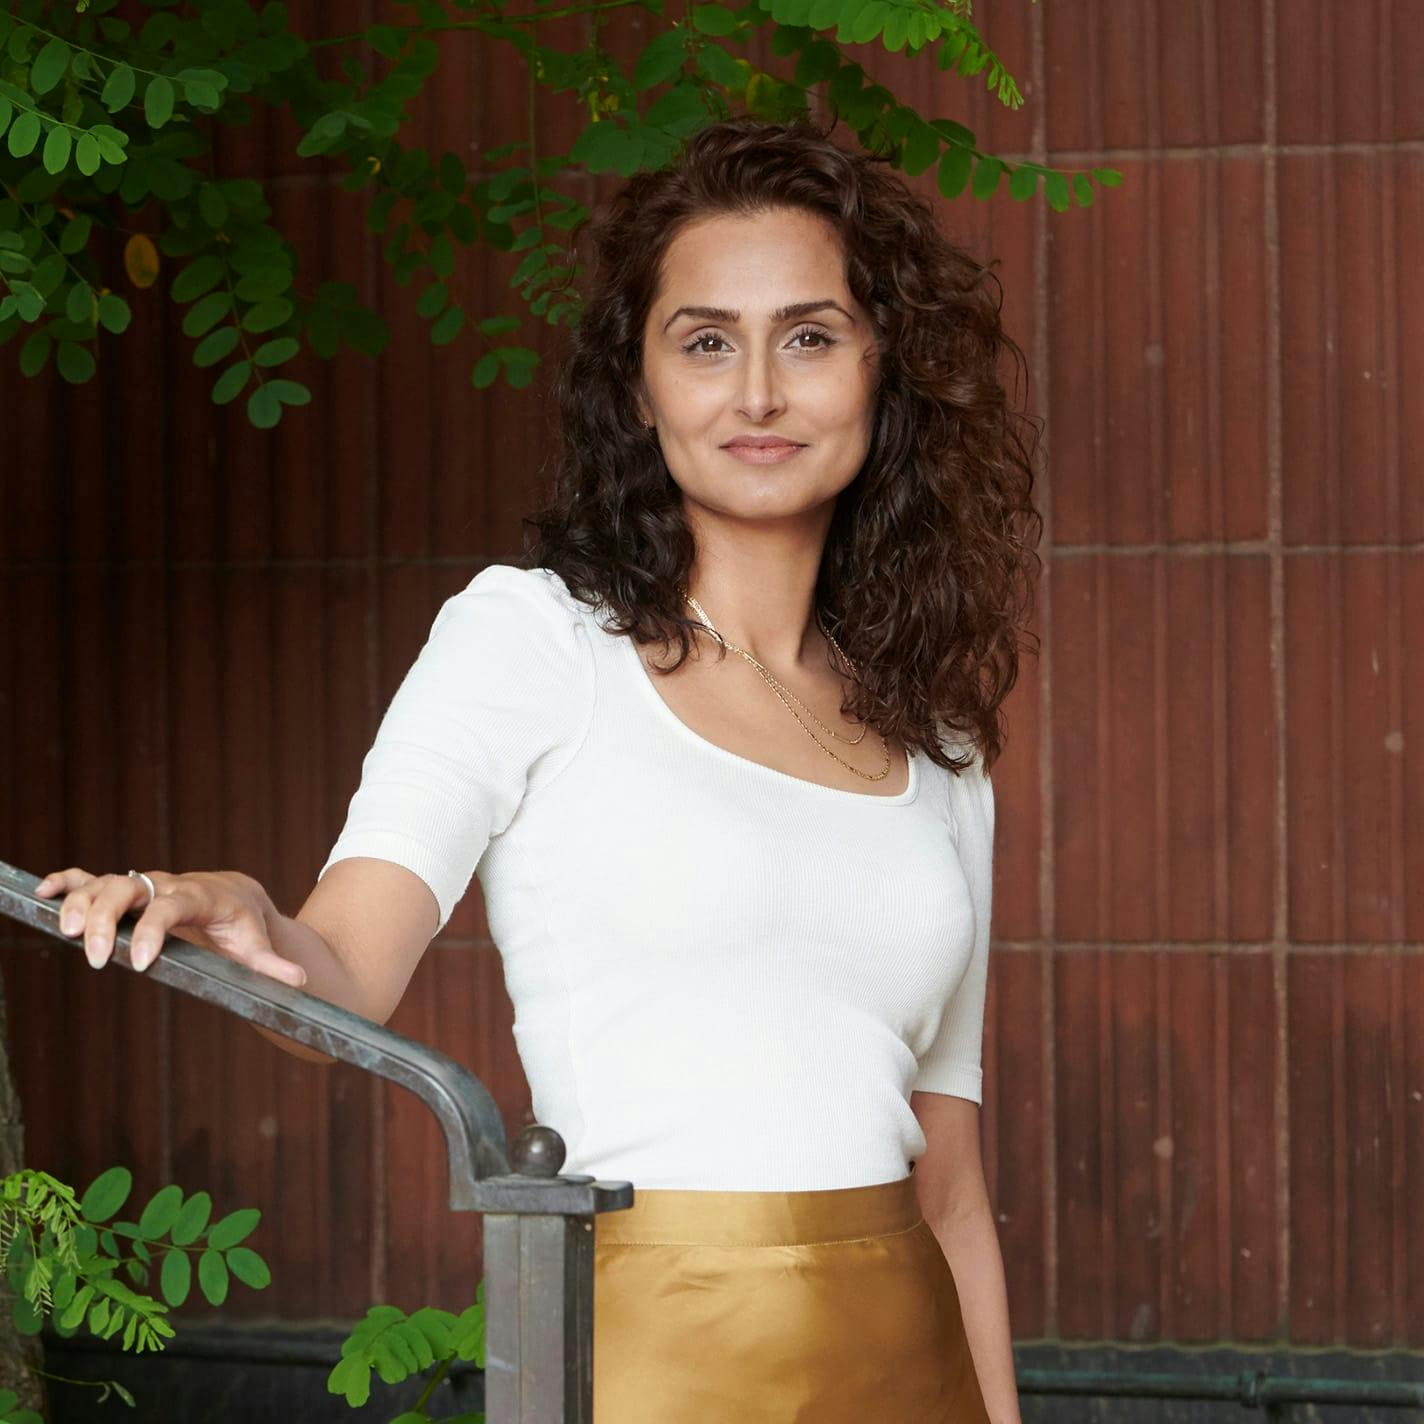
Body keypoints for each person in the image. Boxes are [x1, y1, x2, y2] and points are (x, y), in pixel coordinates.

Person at [37, 114, 1041, 1422]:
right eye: (705, 341)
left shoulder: (939, 749)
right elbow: (343, 973)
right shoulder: (532, 641)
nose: (757, 393)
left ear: (882, 369)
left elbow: (952, 1193)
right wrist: (248, 918)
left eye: (809, 336)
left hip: (918, 1371)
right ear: (639, 386)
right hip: (647, 1367)